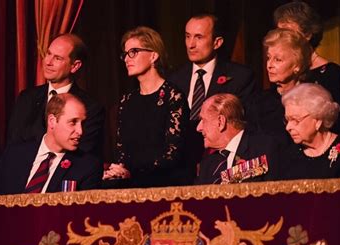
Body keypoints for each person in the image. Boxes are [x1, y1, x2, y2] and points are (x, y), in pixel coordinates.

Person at [168, 14, 257, 177]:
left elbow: (242, 126)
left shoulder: (240, 77)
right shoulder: (174, 80)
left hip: (220, 166)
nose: (191, 44)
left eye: (199, 37)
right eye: (187, 37)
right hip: (180, 168)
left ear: (217, 42)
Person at [103, 26, 188, 188]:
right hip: (130, 182)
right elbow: (121, 151)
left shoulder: (173, 96)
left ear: (153, 56)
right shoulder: (126, 101)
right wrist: (119, 170)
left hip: (163, 184)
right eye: (125, 54)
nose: (127, 59)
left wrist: (131, 171)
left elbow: (172, 155)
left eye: (133, 52)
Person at [6, 33, 105, 159]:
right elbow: (12, 146)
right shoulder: (26, 98)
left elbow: (83, 155)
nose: (48, 62)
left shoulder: (90, 108)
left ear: (75, 66)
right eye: (48, 54)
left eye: (57, 58)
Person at [0, 93, 102, 194]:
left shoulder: (87, 166)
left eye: (82, 123)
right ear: (52, 121)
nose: (80, 131)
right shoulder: (14, 155)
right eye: (73, 122)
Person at [273, 2, 340, 109]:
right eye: (280, 32)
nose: (282, 38)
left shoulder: (331, 73)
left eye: (288, 32)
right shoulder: (281, 69)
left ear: (307, 34)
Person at [196, 94, 281, 184]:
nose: (198, 128)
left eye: (203, 120)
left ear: (220, 121)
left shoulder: (264, 149)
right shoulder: (208, 165)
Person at [248, 28, 312, 145]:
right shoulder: (258, 101)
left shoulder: (313, 99)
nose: (269, 65)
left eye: (278, 60)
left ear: (297, 65)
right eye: (268, 58)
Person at [280, 83, 340, 179]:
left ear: (318, 121)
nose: (288, 127)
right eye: (287, 120)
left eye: (295, 120)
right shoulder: (289, 154)